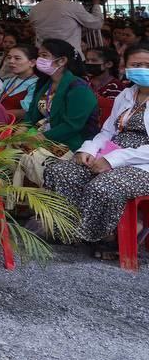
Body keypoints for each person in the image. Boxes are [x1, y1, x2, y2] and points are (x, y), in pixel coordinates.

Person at [42, 44, 149, 258]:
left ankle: (108, 237)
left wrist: (113, 160)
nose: (142, 70)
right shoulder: (126, 94)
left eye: (147, 65)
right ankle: (68, 230)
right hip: (112, 152)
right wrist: (89, 150)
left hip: (142, 164)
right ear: (125, 67)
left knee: (104, 185)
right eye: (136, 65)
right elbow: (108, 131)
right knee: (61, 171)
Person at [25, 38, 97, 152]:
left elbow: (72, 126)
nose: (39, 59)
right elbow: (32, 113)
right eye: (39, 55)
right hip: (41, 134)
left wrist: (40, 138)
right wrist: (23, 129)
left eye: (44, 55)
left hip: (69, 141)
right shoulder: (46, 83)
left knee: (26, 156)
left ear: (62, 61)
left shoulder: (79, 88)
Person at [29, 0, 104, 51]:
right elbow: (97, 23)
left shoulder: (34, 10)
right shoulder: (72, 6)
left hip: (45, 55)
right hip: (69, 55)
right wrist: (96, 4)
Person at [0, 44, 39, 121]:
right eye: (9, 57)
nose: (11, 61)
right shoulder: (9, 80)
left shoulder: (36, 83)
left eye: (17, 58)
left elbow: (27, 112)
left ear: (32, 62)